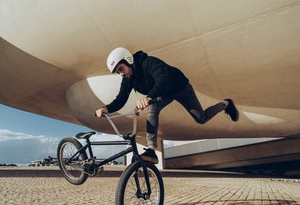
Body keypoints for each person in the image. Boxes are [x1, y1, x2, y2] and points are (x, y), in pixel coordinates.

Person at [95, 47, 239, 164]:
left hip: (181, 88)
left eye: (120, 69)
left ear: (128, 60)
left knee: (201, 118)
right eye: (117, 72)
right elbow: (121, 99)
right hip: (163, 94)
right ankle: (151, 151)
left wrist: (149, 97)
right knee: (152, 109)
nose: (121, 74)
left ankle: (226, 104)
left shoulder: (149, 63)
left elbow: (164, 80)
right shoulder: (128, 79)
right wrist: (106, 108)